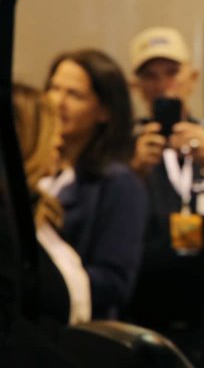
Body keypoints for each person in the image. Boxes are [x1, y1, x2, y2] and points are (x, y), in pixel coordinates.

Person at [123, 26, 204, 350]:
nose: (162, 85)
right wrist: (134, 171)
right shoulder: (122, 145)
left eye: (171, 72)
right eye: (150, 76)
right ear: (136, 86)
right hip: (137, 309)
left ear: (192, 78)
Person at [44, 49, 148, 320]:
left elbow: (115, 282)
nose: (58, 102)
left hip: (77, 336)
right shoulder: (35, 171)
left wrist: (39, 280)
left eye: (74, 95)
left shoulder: (118, 183)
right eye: (53, 88)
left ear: (104, 111)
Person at [12, 83, 90, 326]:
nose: (59, 137)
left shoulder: (40, 209)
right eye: (50, 127)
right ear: (28, 136)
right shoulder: (9, 220)